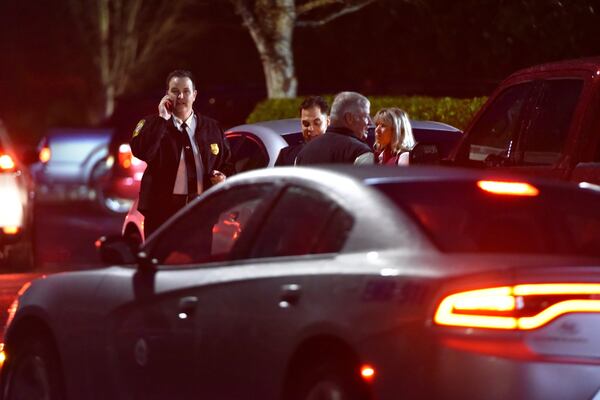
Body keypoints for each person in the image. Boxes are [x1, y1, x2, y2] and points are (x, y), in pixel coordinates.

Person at [130, 69, 232, 238]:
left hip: (202, 212)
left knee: (197, 262)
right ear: (167, 95)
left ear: (195, 95)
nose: (181, 97)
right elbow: (141, 151)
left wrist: (223, 177)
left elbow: (227, 163)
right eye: (175, 92)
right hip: (162, 215)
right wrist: (162, 119)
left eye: (186, 92)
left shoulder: (212, 128)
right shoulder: (151, 124)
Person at [295, 91, 374, 165]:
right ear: (349, 118)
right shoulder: (361, 153)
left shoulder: (302, 154)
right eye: (365, 116)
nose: (370, 122)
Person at [275, 96, 330, 166]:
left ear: (328, 122)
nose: (311, 128)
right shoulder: (286, 156)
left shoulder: (342, 153)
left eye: (317, 123)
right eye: (306, 124)